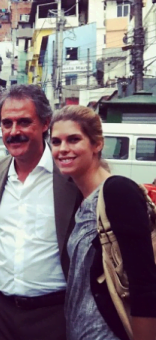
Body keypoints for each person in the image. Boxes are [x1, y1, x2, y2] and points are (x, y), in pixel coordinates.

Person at [0, 85, 81, 340]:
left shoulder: (70, 176)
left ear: (46, 123)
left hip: (53, 316)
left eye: (24, 122)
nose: (14, 132)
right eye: (7, 123)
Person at [50, 105, 156, 340]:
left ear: (97, 144)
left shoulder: (118, 191)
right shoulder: (81, 198)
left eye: (74, 139)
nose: (63, 149)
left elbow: (145, 286)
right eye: (56, 142)